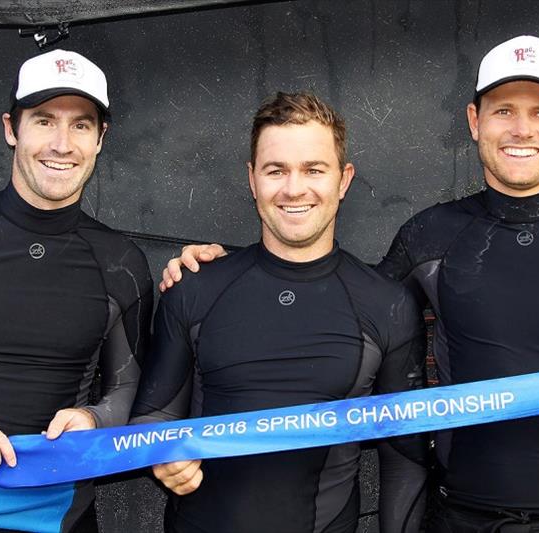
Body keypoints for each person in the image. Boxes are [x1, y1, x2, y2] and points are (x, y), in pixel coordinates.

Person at [163, 36, 539, 532]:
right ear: (474, 120)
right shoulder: (430, 236)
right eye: (503, 111)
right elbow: (329, 302)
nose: (521, 129)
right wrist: (222, 268)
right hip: (461, 519)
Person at [130, 92, 427, 533]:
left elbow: (405, 458)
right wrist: (160, 451)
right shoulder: (196, 289)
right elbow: (152, 416)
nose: (293, 188)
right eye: (276, 170)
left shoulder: (388, 304)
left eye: (313, 169)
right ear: (252, 180)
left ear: (343, 181)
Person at [0, 49, 153, 532]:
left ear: (101, 139)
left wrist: (94, 419)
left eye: (81, 125)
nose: (62, 144)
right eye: (44, 120)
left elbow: (128, 386)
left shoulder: (121, 261)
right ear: (11, 128)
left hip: (59, 514)